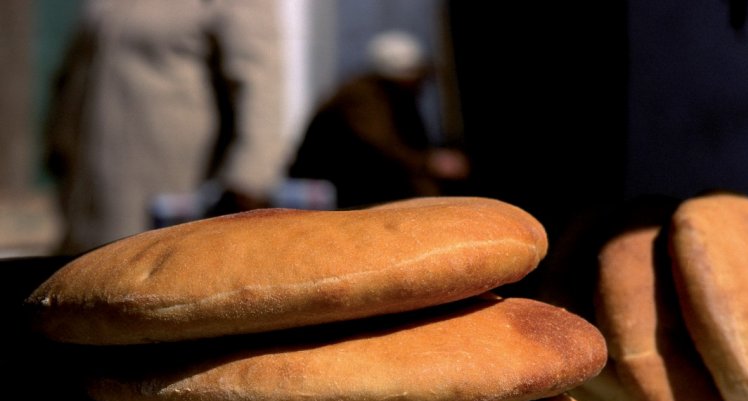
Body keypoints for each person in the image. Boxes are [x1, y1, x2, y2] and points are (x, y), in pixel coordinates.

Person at [44, 0, 295, 254]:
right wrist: (56, 145)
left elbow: (260, 93)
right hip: (89, 193)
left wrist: (245, 185)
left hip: (170, 201)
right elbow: (72, 73)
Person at [288, 30, 469, 209]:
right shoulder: (361, 98)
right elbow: (379, 148)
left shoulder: (400, 98)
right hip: (332, 188)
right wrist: (429, 162)